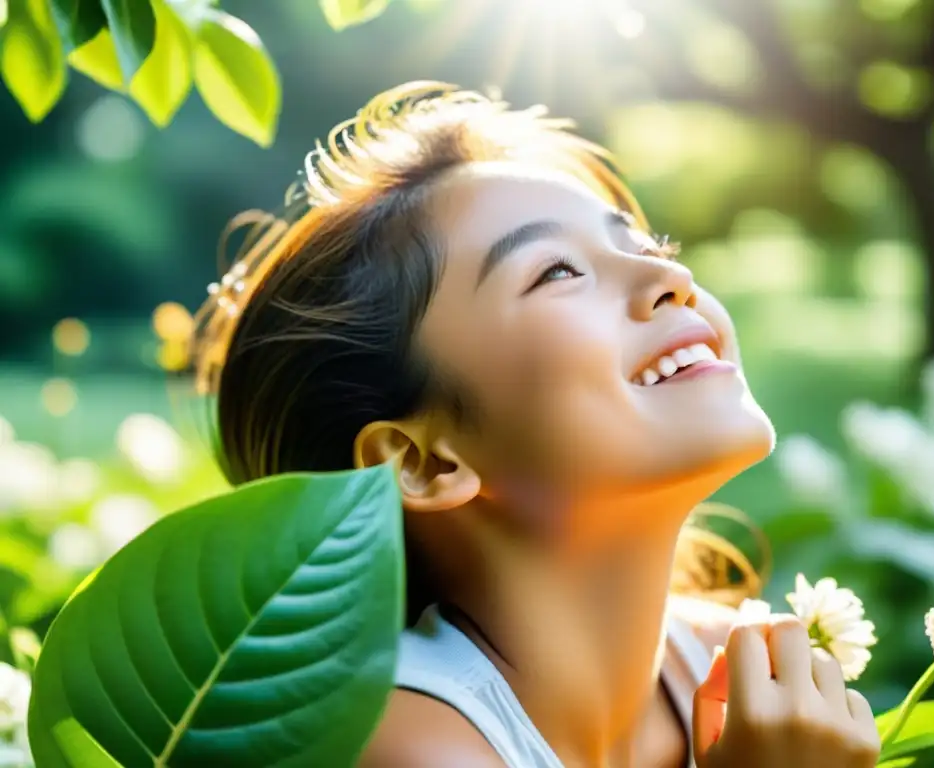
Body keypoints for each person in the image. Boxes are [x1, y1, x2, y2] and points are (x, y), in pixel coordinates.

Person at [192, 82, 881, 768]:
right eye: (556, 271)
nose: (667, 276)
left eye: (648, 243)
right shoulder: (406, 747)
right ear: (422, 463)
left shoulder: (737, 676)